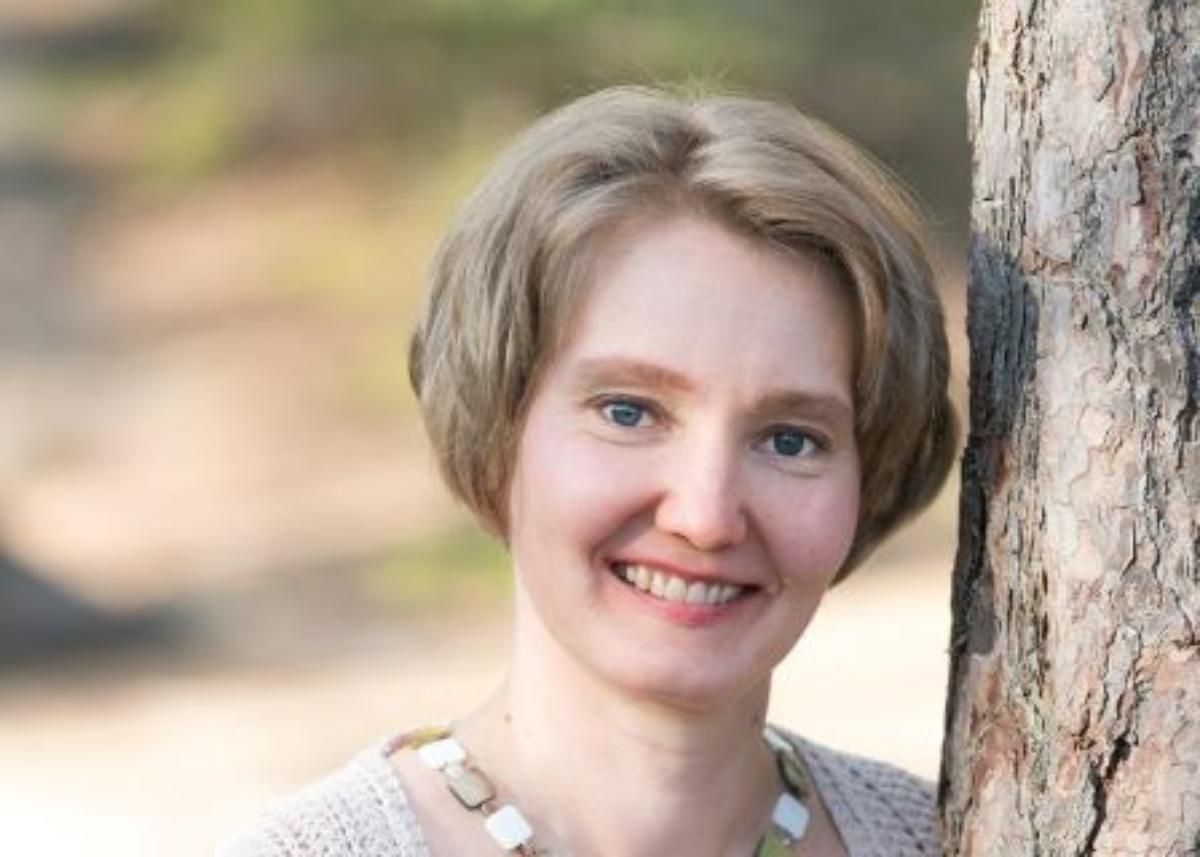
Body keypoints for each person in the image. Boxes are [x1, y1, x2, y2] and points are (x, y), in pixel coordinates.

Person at [219, 85, 958, 857]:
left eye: (791, 439)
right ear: (497, 424)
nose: (705, 516)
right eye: (629, 411)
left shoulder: (939, 839)